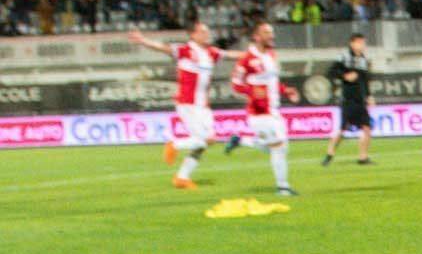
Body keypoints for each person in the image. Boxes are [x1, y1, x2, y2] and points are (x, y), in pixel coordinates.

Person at [127, 20, 240, 189]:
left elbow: (230, 54)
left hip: (203, 106)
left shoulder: (211, 52)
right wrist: (143, 41)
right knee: (203, 140)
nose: (207, 34)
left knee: (208, 141)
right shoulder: (185, 50)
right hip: (188, 103)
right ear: (193, 35)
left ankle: (182, 178)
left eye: (207, 31)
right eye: (202, 32)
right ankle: (175, 145)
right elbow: (163, 48)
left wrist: (252, 55)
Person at [224, 20, 299, 196]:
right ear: (256, 37)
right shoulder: (247, 59)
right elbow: (235, 83)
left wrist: (286, 91)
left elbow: (272, 81)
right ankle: (283, 187)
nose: (271, 36)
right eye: (266, 33)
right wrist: (251, 91)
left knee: (279, 147)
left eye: (271, 32)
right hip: (259, 112)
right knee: (278, 146)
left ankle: (240, 141)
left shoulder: (271, 55)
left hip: (274, 110)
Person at [322, 33, 375, 166]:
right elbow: (331, 72)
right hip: (348, 99)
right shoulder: (344, 57)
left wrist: (369, 96)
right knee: (343, 128)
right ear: (352, 43)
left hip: (360, 99)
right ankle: (329, 153)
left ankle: (363, 157)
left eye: (363, 43)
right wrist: (344, 76)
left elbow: (365, 80)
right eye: (359, 42)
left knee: (367, 128)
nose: (362, 45)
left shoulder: (363, 59)